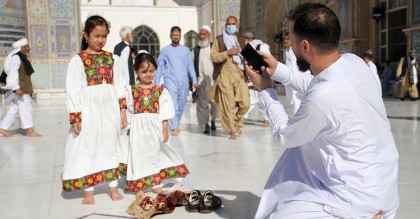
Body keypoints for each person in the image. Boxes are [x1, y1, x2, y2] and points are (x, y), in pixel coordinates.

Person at [246, 3, 398, 218]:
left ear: (305, 47)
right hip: (383, 187)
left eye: (291, 39)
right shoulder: (353, 62)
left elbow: (285, 135)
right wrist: (278, 70)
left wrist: (267, 90)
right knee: (301, 152)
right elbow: (317, 83)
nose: (289, 45)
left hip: (355, 199)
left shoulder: (322, 97)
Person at [62, 15, 128, 205]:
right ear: (86, 35)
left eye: (104, 36)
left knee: (110, 144)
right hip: (89, 111)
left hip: (110, 111)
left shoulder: (112, 59)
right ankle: (88, 189)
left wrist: (123, 111)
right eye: (96, 36)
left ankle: (113, 186)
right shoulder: (78, 60)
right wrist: (76, 117)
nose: (100, 40)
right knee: (87, 146)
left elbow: (121, 85)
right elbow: (73, 89)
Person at [125, 52, 189, 194]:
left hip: (155, 127)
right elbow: (125, 108)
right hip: (138, 128)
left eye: (152, 71)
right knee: (138, 155)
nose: (148, 74)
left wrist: (165, 129)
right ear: (137, 71)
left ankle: (155, 183)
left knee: (154, 154)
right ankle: (139, 185)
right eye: (144, 71)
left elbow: (165, 112)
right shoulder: (131, 90)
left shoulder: (160, 91)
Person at [210, 16, 250, 139]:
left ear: (237, 25)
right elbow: (213, 56)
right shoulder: (220, 39)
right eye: (229, 24)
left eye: (233, 24)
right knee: (228, 104)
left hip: (240, 74)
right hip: (225, 74)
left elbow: (249, 56)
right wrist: (227, 53)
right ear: (225, 25)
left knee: (245, 104)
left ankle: (235, 121)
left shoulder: (243, 40)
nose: (231, 26)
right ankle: (232, 129)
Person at [154, 26, 197, 136]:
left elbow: (190, 66)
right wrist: (156, 81)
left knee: (181, 103)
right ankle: (174, 126)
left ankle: (176, 123)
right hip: (170, 79)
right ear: (170, 36)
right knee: (173, 102)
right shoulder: (165, 51)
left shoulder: (185, 51)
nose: (176, 37)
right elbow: (160, 67)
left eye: (178, 35)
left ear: (180, 36)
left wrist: (194, 80)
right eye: (174, 35)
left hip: (183, 81)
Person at [0, 38, 41, 137]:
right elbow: (12, 73)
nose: (29, 48)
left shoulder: (22, 57)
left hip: (22, 87)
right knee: (26, 107)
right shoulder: (16, 58)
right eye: (27, 46)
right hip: (20, 88)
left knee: (15, 108)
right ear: (22, 47)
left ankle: (2, 128)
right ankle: (29, 130)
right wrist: (16, 88)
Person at [193, 25, 219, 133]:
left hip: (213, 80)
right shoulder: (197, 49)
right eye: (200, 34)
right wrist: (194, 80)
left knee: (215, 103)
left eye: (204, 34)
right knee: (202, 104)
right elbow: (194, 64)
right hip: (201, 80)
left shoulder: (213, 46)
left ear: (208, 35)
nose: (202, 36)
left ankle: (213, 120)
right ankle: (205, 124)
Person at [241, 31, 269, 127]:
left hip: (261, 77)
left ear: (248, 39)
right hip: (251, 79)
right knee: (250, 100)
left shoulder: (261, 46)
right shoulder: (246, 49)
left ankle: (266, 119)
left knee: (262, 101)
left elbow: (268, 60)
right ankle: (243, 118)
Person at [282, 31, 312, 114]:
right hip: (289, 78)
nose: (285, 41)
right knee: (291, 99)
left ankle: (298, 120)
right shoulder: (285, 51)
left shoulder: (298, 50)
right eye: (284, 39)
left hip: (299, 77)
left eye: (287, 39)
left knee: (297, 99)